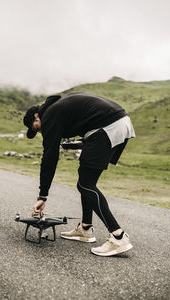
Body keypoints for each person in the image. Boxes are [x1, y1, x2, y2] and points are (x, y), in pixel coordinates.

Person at [23, 92, 136, 256]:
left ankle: (118, 236)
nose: (42, 132)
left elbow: (50, 158)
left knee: (85, 184)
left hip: (107, 127)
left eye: (37, 128)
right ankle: (85, 228)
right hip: (118, 122)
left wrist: (43, 196)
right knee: (86, 181)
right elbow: (87, 116)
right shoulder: (57, 107)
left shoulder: (49, 115)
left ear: (37, 116)